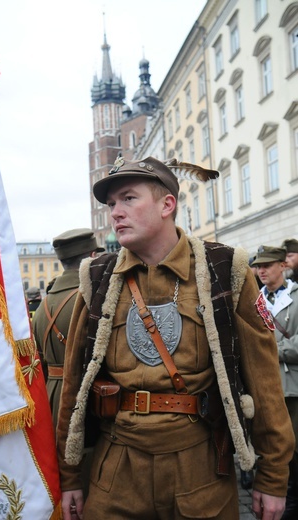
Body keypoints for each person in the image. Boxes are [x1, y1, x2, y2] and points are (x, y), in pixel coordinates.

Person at [56, 156, 294, 520]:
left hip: (200, 471)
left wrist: (273, 476)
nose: (115, 212)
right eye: (111, 204)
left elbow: (265, 382)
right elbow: (74, 383)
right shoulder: (98, 277)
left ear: (167, 204)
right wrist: (69, 475)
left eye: (129, 199)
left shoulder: (224, 270)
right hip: (116, 474)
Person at [32, 228, 104, 430]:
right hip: (84, 399)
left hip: (50, 398)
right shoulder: (92, 301)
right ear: (92, 257)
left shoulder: (41, 308)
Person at [251, 245, 298, 519]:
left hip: (291, 389)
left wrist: (268, 350)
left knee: (292, 448)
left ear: (283, 265)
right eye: (259, 266)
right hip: (261, 388)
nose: (261, 270)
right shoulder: (254, 299)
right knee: (266, 447)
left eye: (268, 265)